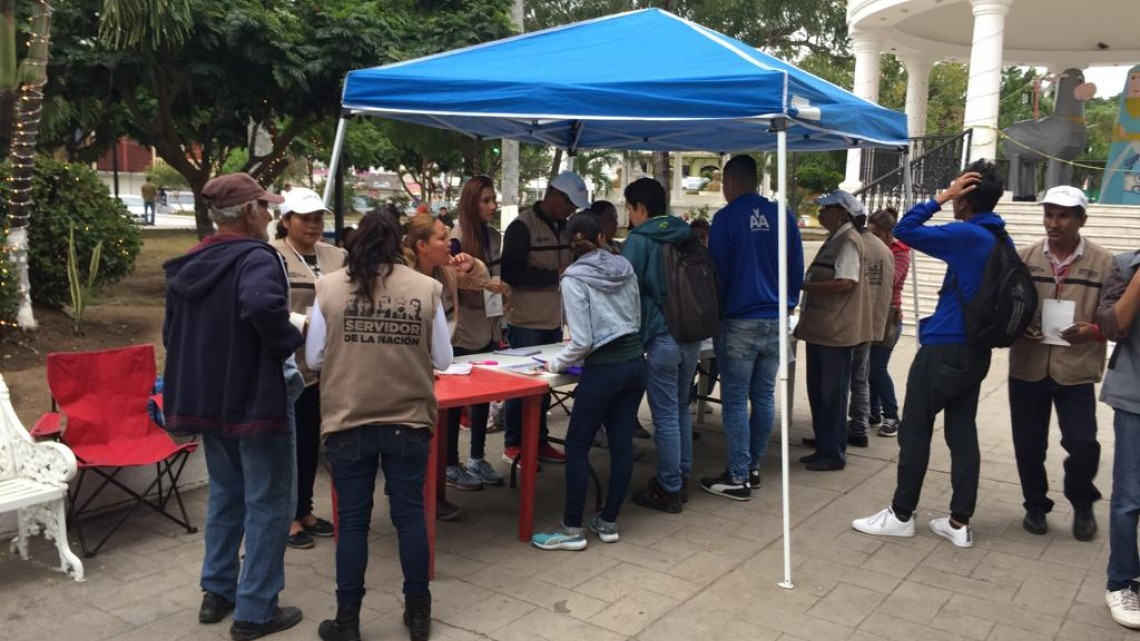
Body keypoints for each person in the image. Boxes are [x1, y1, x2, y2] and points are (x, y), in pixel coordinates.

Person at [162, 173, 304, 639]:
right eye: (264, 207)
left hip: (207, 401)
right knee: (270, 501)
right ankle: (256, 610)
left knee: (227, 493)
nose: (269, 215)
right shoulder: (257, 258)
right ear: (247, 213)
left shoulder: (190, 264)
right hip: (254, 399)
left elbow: (171, 335)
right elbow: (263, 306)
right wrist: (290, 339)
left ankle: (217, 591)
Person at [306, 212, 452, 641]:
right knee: (410, 517)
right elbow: (443, 359)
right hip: (408, 422)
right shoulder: (426, 289)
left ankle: (348, 620)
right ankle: (419, 614)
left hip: (348, 420)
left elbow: (314, 357)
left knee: (352, 523)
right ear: (400, 245)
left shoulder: (329, 288)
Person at [852, 160, 1008, 549]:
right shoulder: (997, 236)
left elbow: (904, 230)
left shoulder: (969, 234)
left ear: (965, 197)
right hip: (975, 350)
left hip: (945, 347)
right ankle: (959, 521)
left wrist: (943, 196)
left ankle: (901, 513)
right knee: (961, 430)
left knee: (915, 429)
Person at [531, 212, 646, 550]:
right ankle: (608, 522)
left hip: (604, 368)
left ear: (571, 243)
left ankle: (571, 529)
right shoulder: (625, 267)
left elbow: (581, 341)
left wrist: (555, 362)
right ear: (601, 238)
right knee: (621, 443)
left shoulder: (573, 279)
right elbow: (636, 317)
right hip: (635, 362)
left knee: (578, 445)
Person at [1008, 186, 1111, 540]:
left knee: (1083, 443)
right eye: (1049, 214)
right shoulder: (1024, 258)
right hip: (1028, 364)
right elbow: (1009, 308)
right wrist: (1019, 330)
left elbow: (1117, 318)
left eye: (1063, 215)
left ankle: (1082, 502)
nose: (1053, 222)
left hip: (1076, 367)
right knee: (1028, 442)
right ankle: (1035, 506)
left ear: (1082, 219)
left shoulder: (1105, 264)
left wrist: (1094, 331)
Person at [699, 154, 803, 501]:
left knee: (733, 399)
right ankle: (752, 466)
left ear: (729, 182)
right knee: (762, 396)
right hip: (777, 319)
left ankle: (738, 474)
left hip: (740, 319)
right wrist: (786, 301)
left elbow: (719, 275)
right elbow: (796, 270)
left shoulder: (726, 219)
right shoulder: (784, 216)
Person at [270, 187, 347, 550]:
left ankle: (305, 509)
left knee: (310, 443)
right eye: (305, 218)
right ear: (286, 221)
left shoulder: (335, 255)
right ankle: (287, 517)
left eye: (318, 218)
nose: (314, 225)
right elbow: (268, 308)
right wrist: (305, 321)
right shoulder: (273, 256)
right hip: (291, 368)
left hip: (328, 369)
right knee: (288, 445)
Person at [621, 177, 701, 513]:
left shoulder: (639, 240)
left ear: (640, 207)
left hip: (661, 335)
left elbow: (626, 291)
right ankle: (680, 476)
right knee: (680, 407)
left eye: (628, 208)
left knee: (665, 414)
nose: (628, 215)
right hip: (691, 333)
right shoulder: (686, 234)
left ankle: (668, 488)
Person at [499, 171, 589, 465]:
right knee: (520, 388)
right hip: (526, 322)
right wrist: (553, 276)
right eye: (569, 204)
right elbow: (510, 272)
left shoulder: (565, 227)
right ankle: (514, 445)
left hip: (554, 320)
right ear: (553, 196)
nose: (572, 211)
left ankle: (539, 440)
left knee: (545, 386)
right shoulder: (521, 227)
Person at [404, 214, 487, 517]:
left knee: (438, 428)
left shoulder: (446, 271)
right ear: (422, 246)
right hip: (412, 367)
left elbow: (480, 283)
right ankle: (418, 497)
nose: (450, 243)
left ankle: (430, 492)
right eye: (442, 237)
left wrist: (473, 264)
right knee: (418, 433)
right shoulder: (403, 276)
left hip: (442, 359)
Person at [795, 190, 870, 472]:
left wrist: (805, 287)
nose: (821, 214)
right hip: (821, 329)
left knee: (832, 394)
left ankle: (833, 452)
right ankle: (824, 444)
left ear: (841, 212)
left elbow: (845, 282)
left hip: (835, 331)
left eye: (826, 209)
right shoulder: (836, 237)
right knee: (818, 390)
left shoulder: (849, 241)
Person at [444, 176, 509, 486]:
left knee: (484, 396)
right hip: (462, 329)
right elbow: (455, 284)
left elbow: (498, 284)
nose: (492, 206)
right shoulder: (454, 237)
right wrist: (485, 285)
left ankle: (477, 457)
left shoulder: (494, 236)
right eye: (486, 200)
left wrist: (500, 321)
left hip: (490, 326)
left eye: (493, 200)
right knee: (456, 400)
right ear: (471, 203)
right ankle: (449, 463)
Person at [1098, 238, 1140, 630]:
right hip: (1134, 400)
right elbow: (1113, 326)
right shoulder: (1125, 266)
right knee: (1129, 499)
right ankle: (1122, 582)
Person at [845, 212, 895, 448]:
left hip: (851, 321)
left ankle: (868, 421)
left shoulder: (853, 243)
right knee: (861, 377)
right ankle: (861, 423)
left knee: (858, 375)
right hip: (872, 319)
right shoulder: (884, 250)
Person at [866, 208, 911, 438]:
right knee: (868, 368)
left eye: (875, 234)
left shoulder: (900, 251)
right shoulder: (872, 246)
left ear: (885, 233)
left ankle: (891, 415)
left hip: (889, 315)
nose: (870, 238)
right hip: (870, 312)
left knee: (878, 368)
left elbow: (890, 279)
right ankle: (872, 412)